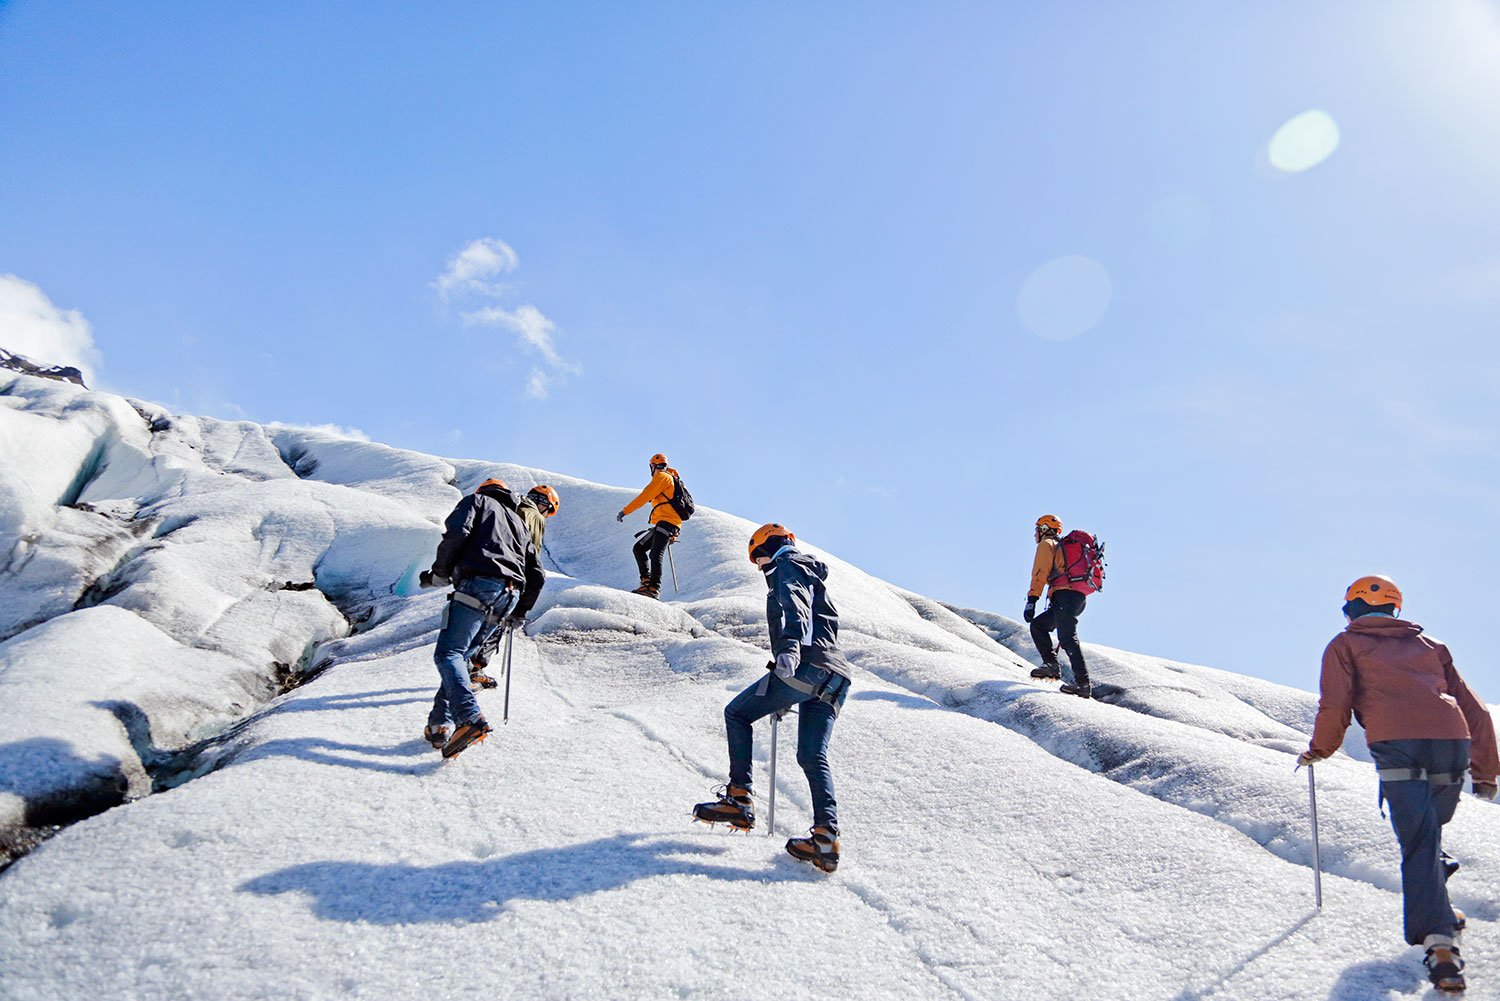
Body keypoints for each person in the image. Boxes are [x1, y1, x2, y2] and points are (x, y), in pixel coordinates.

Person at [1298, 575, 1498, 994]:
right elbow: (1472, 706)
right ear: (1396, 609)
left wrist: (1319, 749)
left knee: (1418, 841)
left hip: (1397, 743)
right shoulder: (1431, 646)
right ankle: (1438, 887)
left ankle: (1440, 946)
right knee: (1428, 834)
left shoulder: (1344, 644)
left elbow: (1335, 704)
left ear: (1351, 608)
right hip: (1452, 742)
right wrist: (1485, 771)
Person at [692, 524, 852, 873]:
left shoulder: (787, 564)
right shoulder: (814, 574)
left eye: (757, 555)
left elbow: (795, 606)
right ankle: (826, 838)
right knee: (812, 754)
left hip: (805, 666)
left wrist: (790, 650)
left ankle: (739, 798)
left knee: (737, 714)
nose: (758, 564)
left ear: (772, 546)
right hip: (836, 677)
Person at [418, 478, 545, 759]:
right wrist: (519, 612)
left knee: (448, 653)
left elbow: (456, 533)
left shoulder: (477, 502)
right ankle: (440, 724)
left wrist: (440, 573)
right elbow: (537, 574)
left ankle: (469, 718)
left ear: (484, 491)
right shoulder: (520, 525)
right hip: (509, 595)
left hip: (478, 584)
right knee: (461, 658)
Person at [469, 484, 558, 688]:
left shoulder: (508, 504)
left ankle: (462, 669)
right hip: (507, 577)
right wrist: (520, 607)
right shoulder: (535, 517)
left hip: (478, 570)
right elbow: (530, 557)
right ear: (546, 505)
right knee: (497, 622)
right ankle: (474, 670)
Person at [1025, 514, 1091, 697]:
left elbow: (1040, 572)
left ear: (1044, 529)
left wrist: (1032, 600)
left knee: (1067, 637)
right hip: (1076, 598)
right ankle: (1052, 667)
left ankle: (1083, 684)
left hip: (1065, 595)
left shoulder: (1047, 545)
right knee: (1039, 626)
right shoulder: (1061, 547)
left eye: (1037, 529)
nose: (1035, 534)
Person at [616, 452, 682, 599]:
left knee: (655, 554)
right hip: (667, 523)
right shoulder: (670, 479)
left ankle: (653, 588)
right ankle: (646, 582)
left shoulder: (662, 477)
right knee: (639, 548)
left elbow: (644, 496)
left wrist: (625, 511)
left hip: (667, 522)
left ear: (652, 466)